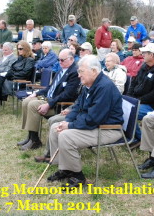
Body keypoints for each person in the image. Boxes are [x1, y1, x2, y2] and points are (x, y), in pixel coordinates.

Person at [47, 55, 124, 187]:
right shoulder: (89, 84)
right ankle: (65, 169)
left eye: (81, 72)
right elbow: (78, 107)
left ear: (94, 71)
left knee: (66, 135)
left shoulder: (104, 87)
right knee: (56, 127)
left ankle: (78, 177)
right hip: (95, 125)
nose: (78, 75)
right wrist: (67, 122)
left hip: (108, 129)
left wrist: (70, 125)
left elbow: (93, 118)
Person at [17, 49, 80, 150]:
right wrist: (36, 93)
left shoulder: (74, 72)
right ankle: (30, 136)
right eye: (58, 60)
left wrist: (49, 104)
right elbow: (50, 87)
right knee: (27, 101)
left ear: (71, 59)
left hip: (60, 105)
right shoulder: (61, 69)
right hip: (50, 100)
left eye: (62, 60)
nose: (60, 62)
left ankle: (35, 140)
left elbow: (67, 94)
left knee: (33, 105)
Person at [127, 43, 154, 142]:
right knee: (121, 109)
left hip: (152, 106)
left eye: (144, 53)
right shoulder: (145, 66)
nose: (142, 54)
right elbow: (134, 82)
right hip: (138, 101)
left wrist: (138, 101)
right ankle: (134, 136)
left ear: (151, 55)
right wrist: (129, 97)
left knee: (129, 113)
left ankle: (141, 139)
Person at [0, 41, 35, 117]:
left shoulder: (30, 60)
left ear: (26, 49)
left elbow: (25, 73)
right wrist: (9, 74)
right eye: (18, 49)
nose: (19, 50)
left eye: (21, 48)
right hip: (12, 80)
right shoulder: (19, 59)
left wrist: (11, 75)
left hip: (20, 83)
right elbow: (11, 70)